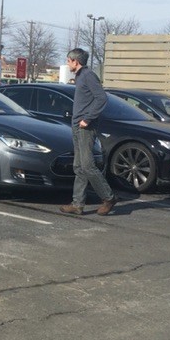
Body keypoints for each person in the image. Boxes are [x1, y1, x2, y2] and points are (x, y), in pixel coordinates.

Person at [60, 48, 118, 216]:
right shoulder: (79, 77)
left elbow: (102, 98)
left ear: (75, 62)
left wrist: (88, 118)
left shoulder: (88, 75)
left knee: (87, 165)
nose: (67, 63)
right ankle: (77, 203)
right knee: (78, 166)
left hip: (86, 127)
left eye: (68, 60)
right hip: (77, 126)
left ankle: (109, 197)